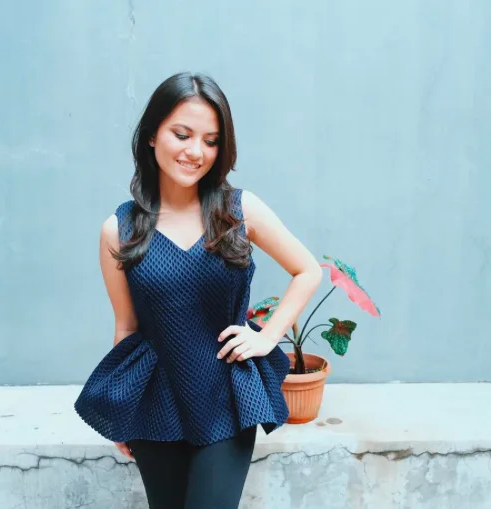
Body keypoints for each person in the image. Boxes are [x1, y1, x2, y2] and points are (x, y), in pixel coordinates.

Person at [74, 72, 322, 509]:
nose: (196, 152)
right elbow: (127, 328)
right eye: (182, 134)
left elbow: (307, 270)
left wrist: (267, 337)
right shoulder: (119, 229)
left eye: (211, 141)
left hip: (226, 393)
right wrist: (123, 411)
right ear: (152, 135)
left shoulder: (239, 210)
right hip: (155, 399)